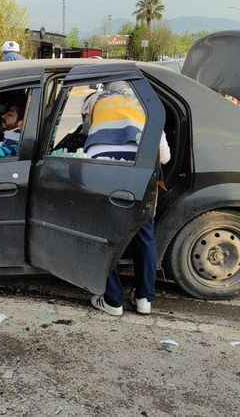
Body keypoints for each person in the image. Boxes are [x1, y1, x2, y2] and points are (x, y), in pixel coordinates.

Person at [82, 82, 170, 316]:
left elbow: (86, 135)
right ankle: (144, 299)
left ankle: (113, 300)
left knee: (105, 237)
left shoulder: (95, 102)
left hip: (103, 173)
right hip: (140, 179)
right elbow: (164, 156)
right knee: (145, 236)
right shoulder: (148, 107)